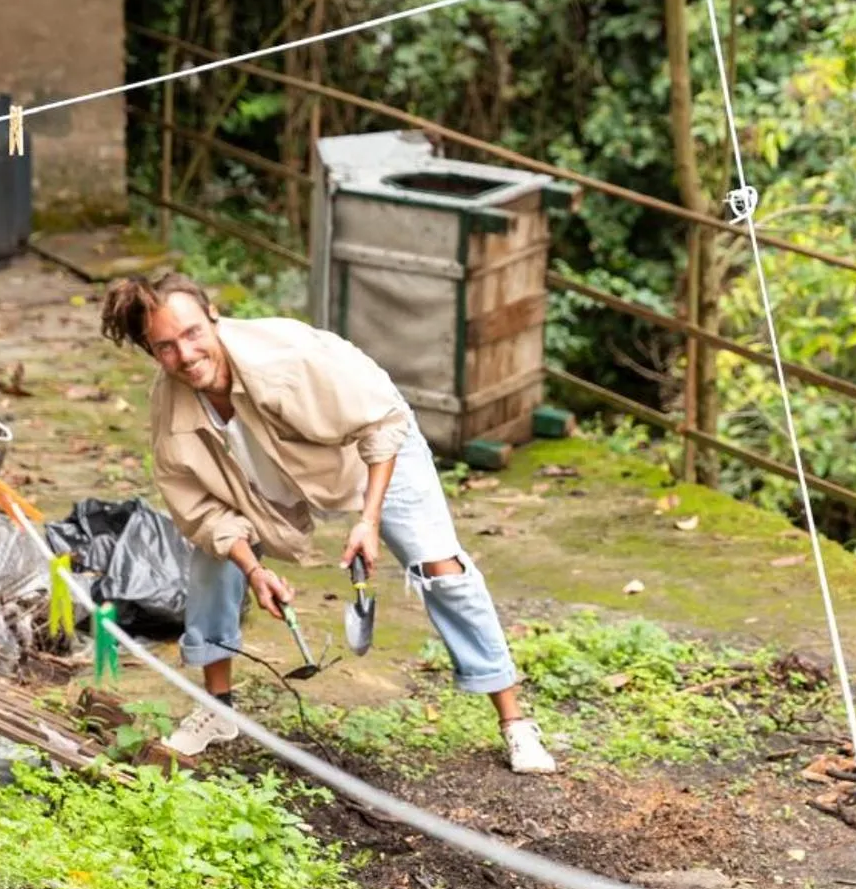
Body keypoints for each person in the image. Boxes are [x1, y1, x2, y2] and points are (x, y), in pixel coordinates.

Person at [98, 271, 556, 774]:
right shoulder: (170, 409)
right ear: (150, 351)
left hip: (369, 452)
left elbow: (382, 423)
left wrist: (369, 519)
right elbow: (205, 510)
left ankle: (514, 721)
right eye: (166, 347)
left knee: (440, 569)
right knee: (212, 558)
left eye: (192, 335)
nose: (185, 355)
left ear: (213, 318)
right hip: (269, 484)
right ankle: (218, 709)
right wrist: (255, 570)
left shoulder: (289, 359)